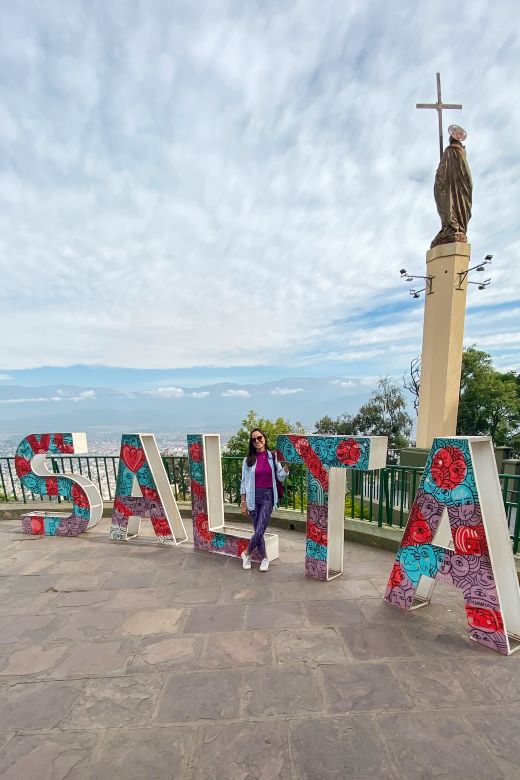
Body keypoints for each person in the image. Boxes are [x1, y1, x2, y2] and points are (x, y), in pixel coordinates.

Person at [240, 428, 289, 572]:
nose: (257, 441)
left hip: (268, 496)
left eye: (259, 438)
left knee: (260, 528)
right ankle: (264, 558)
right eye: (254, 439)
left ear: (265, 438)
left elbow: (280, 476)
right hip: (252, 497)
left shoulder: (272, 457)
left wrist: (286, 466)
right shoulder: (247, 460)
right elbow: (243, 482)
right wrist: (243, 503)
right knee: (258, 529)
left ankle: (246, 553)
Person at [431, 125, 472, 248]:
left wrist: (440, 176)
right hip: (461, 188)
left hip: (450, 188)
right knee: (457, 205)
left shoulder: (450, 151)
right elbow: (466, 175)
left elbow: (441, 174)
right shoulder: (461, 153)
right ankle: (452, 227)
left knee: (448, 204)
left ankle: (452, 226)